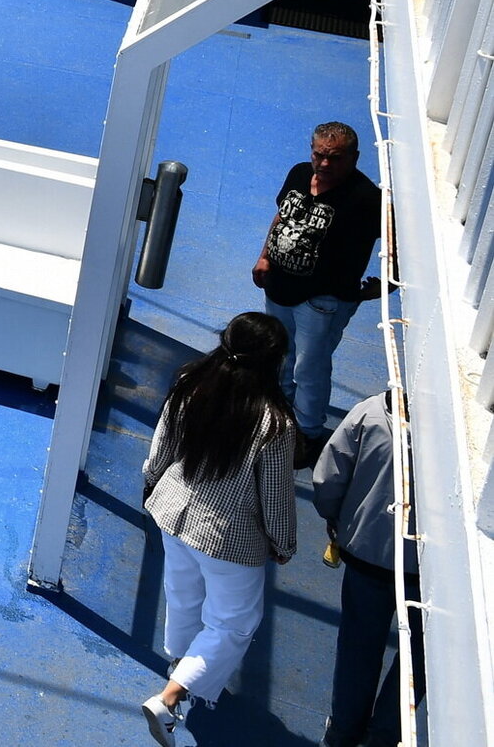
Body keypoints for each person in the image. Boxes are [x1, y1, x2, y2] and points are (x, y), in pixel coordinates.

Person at [140, 312, 299, 746]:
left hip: (173, 512)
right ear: (274, 361)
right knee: (232, 624)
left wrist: (152, 482)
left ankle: (180, 663)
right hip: (230, 537)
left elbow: (163, 447)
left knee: (183, 594)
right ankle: (170, 698)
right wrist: (283, 544)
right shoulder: (275, 424)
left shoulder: (190, 383)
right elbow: (275, 497)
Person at [252, 122, 382, 464]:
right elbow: (282, 216)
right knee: (280, 354)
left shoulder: (367, 199)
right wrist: (264, 256)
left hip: (323, 300)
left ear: (354, 158)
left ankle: (307, 434)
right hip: (279, 287)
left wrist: (387, 285)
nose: (324, 164)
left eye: (335, 158)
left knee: (309, 369)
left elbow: (401, 241)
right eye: (319, 155)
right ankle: (280, 415)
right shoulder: (299, 173)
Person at [314, 391, 421, 747]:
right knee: (417, 658)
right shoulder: (452, 442)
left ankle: (342, 733)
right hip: (426, 572)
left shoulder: (371, 413)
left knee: (358, 649)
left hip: (367, 553)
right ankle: (384, 737)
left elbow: (328, 478)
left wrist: (337, 519)